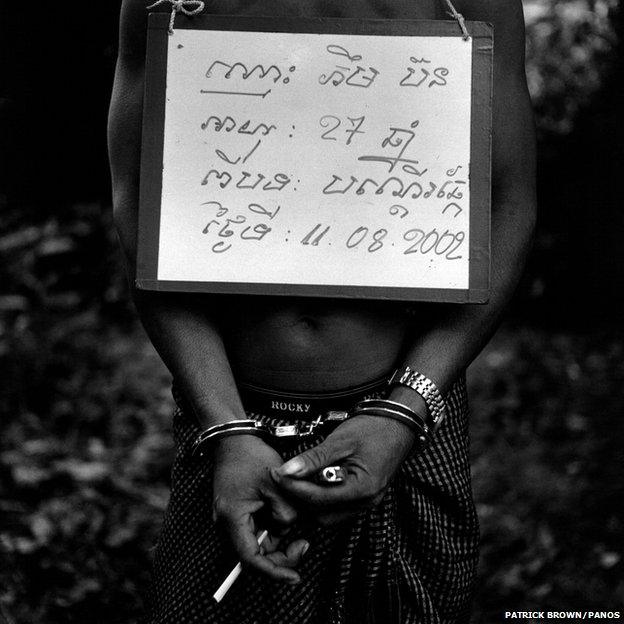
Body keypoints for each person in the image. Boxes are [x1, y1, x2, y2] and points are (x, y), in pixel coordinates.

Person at [108, 0, 535, 622]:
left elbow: (510, 205)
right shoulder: (170, 2)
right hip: (233, 414)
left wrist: (403, 410)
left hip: (412, 411)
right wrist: (224, 426)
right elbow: (143, 215)